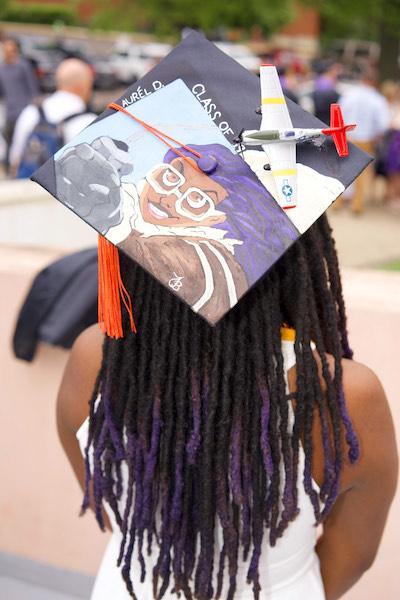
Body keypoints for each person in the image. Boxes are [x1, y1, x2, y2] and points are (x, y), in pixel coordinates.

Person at [56, 212, 398, 599]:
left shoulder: (94, 358)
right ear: (298, 252)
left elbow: (104, 502)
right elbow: (354, 555)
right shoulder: (346, 395)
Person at [9, 58, 96, 176]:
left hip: (29, 190)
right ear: (86, 85)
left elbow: (15, 160)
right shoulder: (91, 122)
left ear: (58, 82)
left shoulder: (32, 112)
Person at [339, 67, 391, 214]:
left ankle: (338, 201)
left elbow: (338, 114)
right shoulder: (378, 100)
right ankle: (357, 204)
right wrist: (376, 137)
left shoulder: (349, 94)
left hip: (347, 136)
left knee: (344, 169)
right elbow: (383, 124)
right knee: (362, 172)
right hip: (366, 139)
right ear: (374, 81)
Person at [0, 36, 38, 173]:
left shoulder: (23, 66)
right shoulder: (2, 68)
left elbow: (32, 87)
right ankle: (8, 168)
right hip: (10, 111)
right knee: (8, 138)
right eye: (6, 50)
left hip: (24, 111)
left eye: (11, 50)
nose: (8, 52)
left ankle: (22, 169)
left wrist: (34, 106)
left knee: (23, 142)